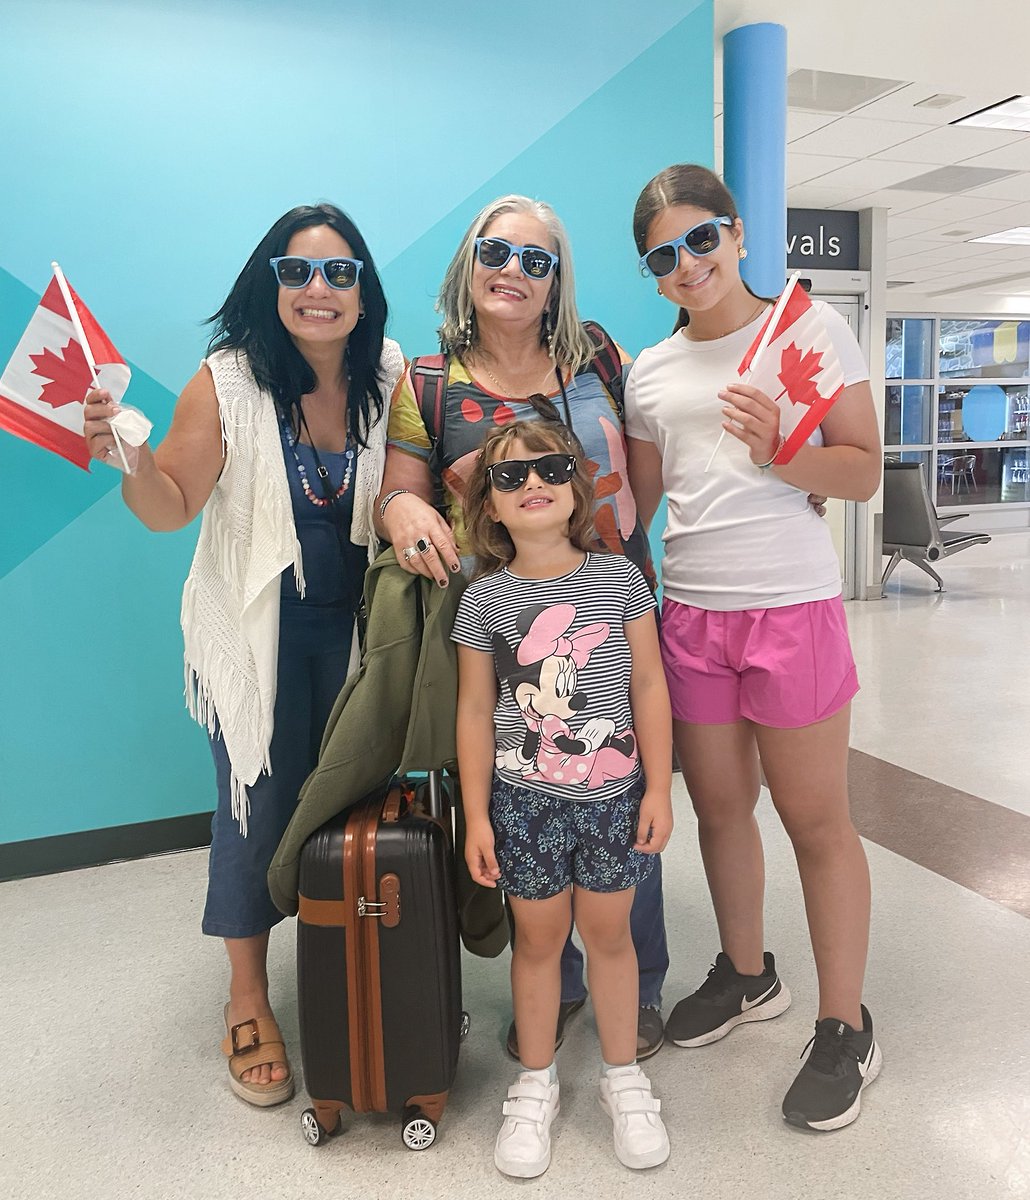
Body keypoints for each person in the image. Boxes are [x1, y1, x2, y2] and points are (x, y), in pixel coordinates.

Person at [82, 204, 403, 1107]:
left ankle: (352, 974)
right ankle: (248, 995)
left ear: (363, 290)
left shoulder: (388, 373)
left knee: (348, 810)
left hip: (358, 634)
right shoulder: (225, 381)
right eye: (297, 272)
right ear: (269, 285)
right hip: (255, 638)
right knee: (255, 810)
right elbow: (170, 504)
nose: (318, 291)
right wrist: (130, 459)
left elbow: (405, 489)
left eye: (340, 273)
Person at [374, 194, 670, 1061]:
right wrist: (400, 512)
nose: (514, 271)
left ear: (557, 281)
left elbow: (643, 480)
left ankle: (638, 983)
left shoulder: (599, 357)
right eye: (497, 252)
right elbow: (400, 489)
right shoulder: (428, 382)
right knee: (530, 799)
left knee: (624, 795)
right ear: (470, 265)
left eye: (536, 260)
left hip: (613, 615)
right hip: (502, 644)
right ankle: (560, 982)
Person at [625, 163, 883, 1133]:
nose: (687, 264)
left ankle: (843, 1022)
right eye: (664, 254)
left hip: (791, 607)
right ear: (651, 273)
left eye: (700, 239)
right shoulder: (652, 371)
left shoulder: (807, 331)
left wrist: (783, 452)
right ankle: (747, 975)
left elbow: (858, 471)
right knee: (720, 813)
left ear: (734, 234)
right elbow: (644, 502)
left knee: (817, 821)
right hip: (690, 614)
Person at [453, 419, 672, 1177]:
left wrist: (660, 791)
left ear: (576, 484)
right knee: (539, 945)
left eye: (548, 468)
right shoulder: (483, 600)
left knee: (612, 941)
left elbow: (649, 685)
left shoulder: (619, 580)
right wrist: (478, 814)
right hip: (524, 804)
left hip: (613, 797)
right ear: (490, 505)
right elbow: (475, 714)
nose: (532, 484)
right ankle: (535, 1083)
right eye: (510, 477)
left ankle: (624, 1078)